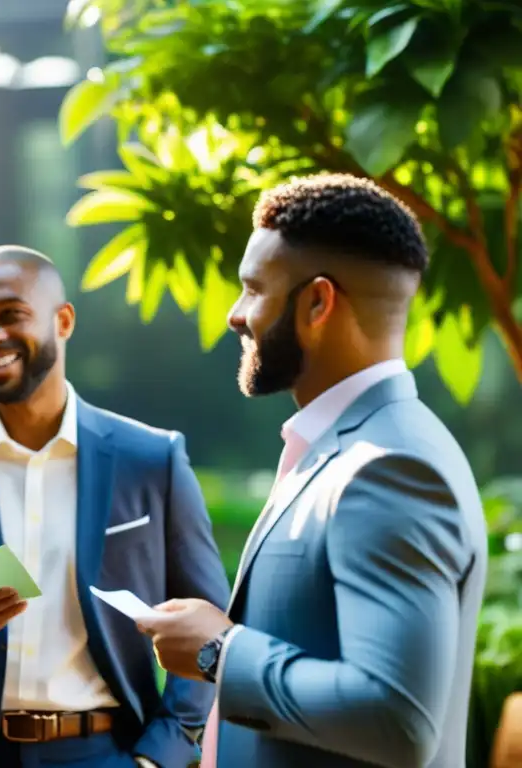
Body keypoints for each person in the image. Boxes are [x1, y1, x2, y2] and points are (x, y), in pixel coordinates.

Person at [135, 174, 488, 768]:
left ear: (318, 303)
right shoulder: (352, 446)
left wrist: (219, 652)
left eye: (252, 289)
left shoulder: (388, 468)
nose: (234, 315)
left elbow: (398, 719)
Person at [0, 245, 230, 768]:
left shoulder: (153, 459)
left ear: (63, 320)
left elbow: (212, 626)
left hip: (106, 754)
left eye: (10, 315)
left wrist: (157, 758)